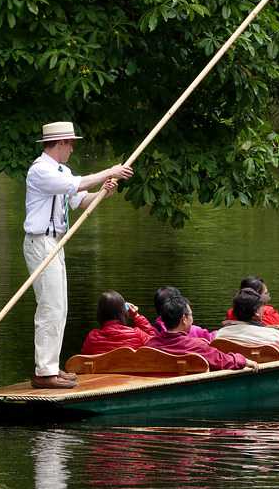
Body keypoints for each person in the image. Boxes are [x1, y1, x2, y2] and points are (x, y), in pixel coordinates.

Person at [24, 121, 134, 389]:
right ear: (60, 143)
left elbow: (79, 199)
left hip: (55, 243)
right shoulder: (40, 171)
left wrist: (104, 192)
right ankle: (44, 372)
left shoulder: (62, 171)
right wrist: (110, 169)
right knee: (50, 306)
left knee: (59, 306)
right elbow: (76, 183)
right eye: (70, 143)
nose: (73, 147)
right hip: (40, 242)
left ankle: (51, 367)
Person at [145, 294, 258, 371]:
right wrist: (243, 360)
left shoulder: (150, 345)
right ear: (184, 319)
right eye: (191, 315)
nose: (192, 319)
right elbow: (223, 360)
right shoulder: (196, 346)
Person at [214, 288, 279, 357]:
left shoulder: (221, 335)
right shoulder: (273, 335)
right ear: (256, 313)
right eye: (262, 306)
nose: (264, 308)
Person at [81, 290, 157, 354]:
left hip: (104, 371)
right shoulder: (137, 334)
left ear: (100, 314)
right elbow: (156, 343)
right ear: (123, 312)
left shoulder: (92, 338)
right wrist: (136, 316)